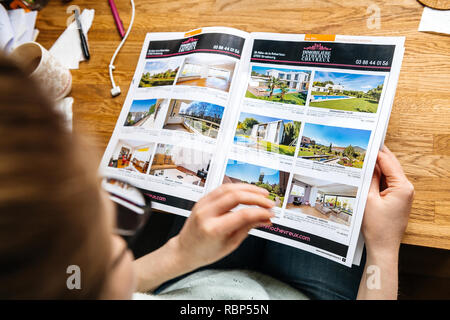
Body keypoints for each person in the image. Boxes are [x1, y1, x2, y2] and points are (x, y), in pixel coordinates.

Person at [0, 55, 414, 299]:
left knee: (248, 210)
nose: (117, 238)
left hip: (204, 272)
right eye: (107, 241)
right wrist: (383, 251)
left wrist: (181, 253)